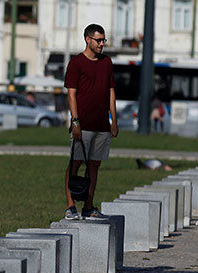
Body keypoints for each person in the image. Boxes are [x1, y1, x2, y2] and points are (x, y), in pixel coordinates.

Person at [63, 23, 118, 220]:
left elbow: (111, 91)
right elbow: (71, 94)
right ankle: (70, 206)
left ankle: (88, 205)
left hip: (102, 125)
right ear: (88, 39)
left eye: (104, 40)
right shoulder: (77, 63)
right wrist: (75, 121)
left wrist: (114, 120)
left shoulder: (107, 63)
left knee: (94, 166)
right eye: (99, 40)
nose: (102, 44)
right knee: (75, 163)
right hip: (82, 125)